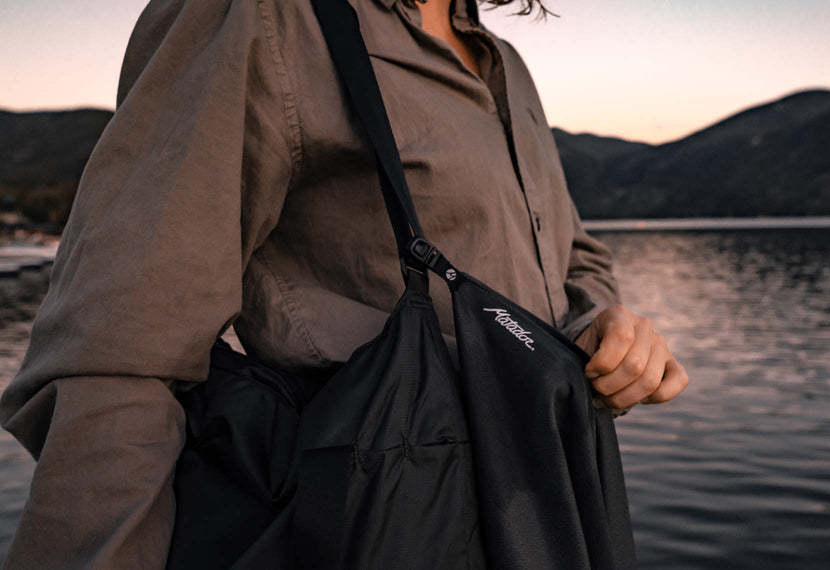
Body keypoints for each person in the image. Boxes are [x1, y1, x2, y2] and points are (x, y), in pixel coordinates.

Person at [0, 0, 690, 567]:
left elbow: (572, 257)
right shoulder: (261, 17)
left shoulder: (503, 65)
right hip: (380, 514)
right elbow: (118, 356)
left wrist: (602, 326)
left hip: (548, 504)